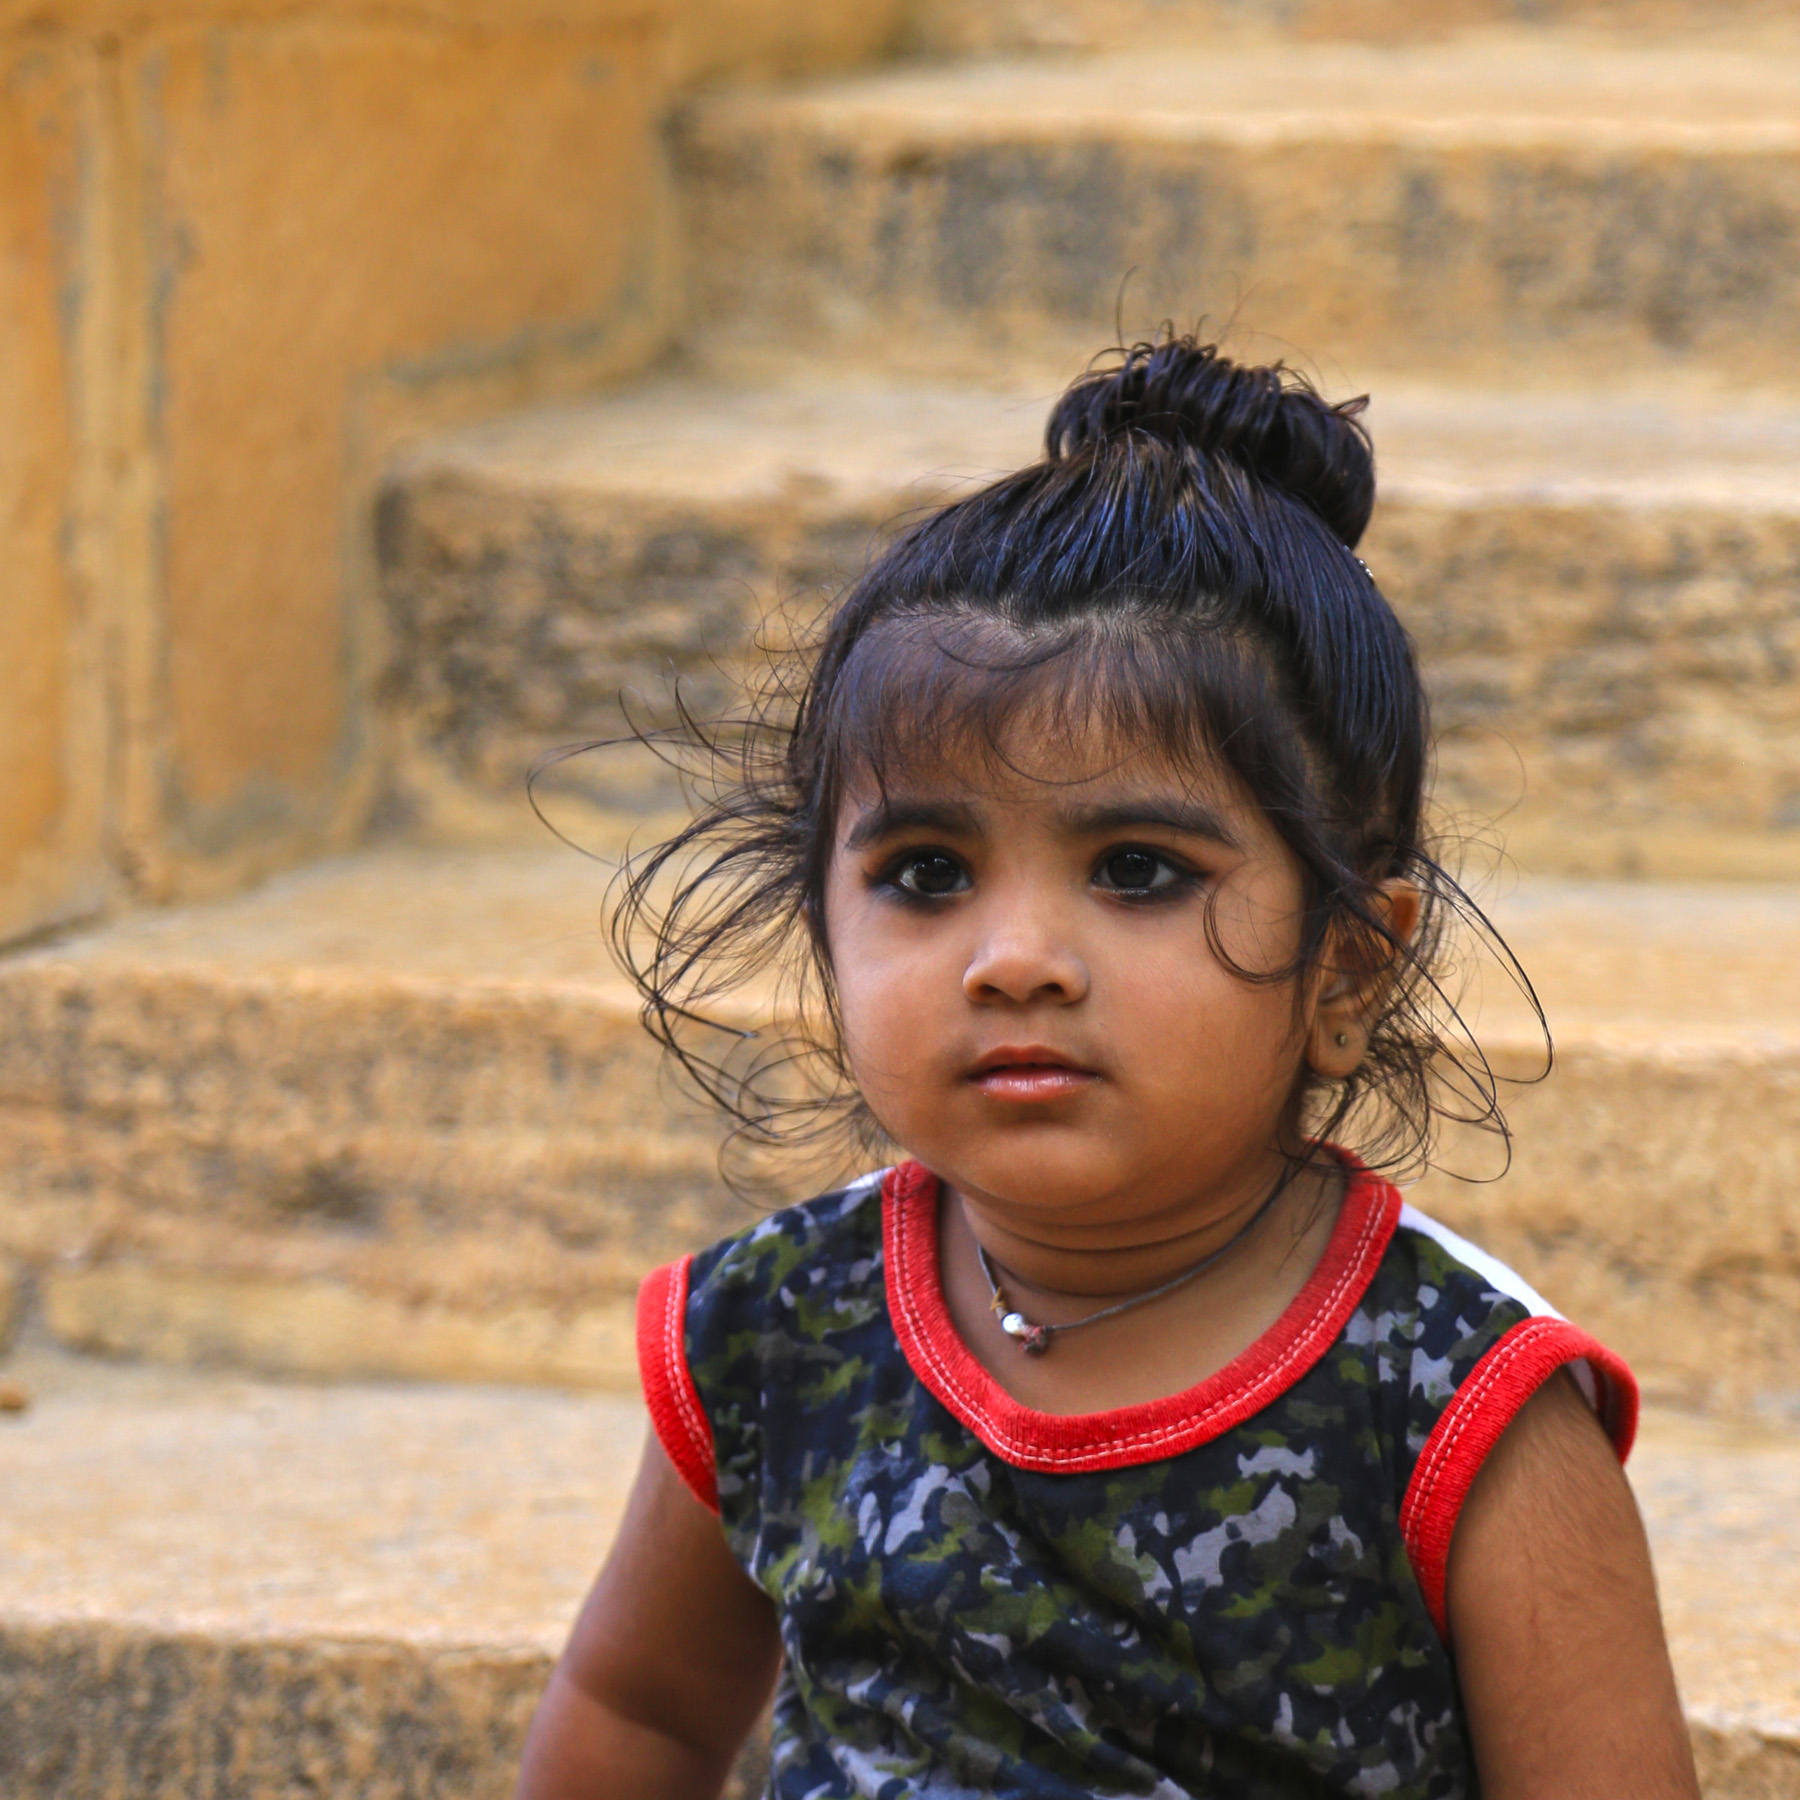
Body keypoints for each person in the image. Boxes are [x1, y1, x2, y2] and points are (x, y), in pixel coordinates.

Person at [515, 337, 1700, 1800]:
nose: (1013, 957)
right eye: (927, 871)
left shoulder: (1452, 1406)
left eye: (1137, 870)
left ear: (1347, 969)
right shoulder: (776, 1332)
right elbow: (637, 1714)